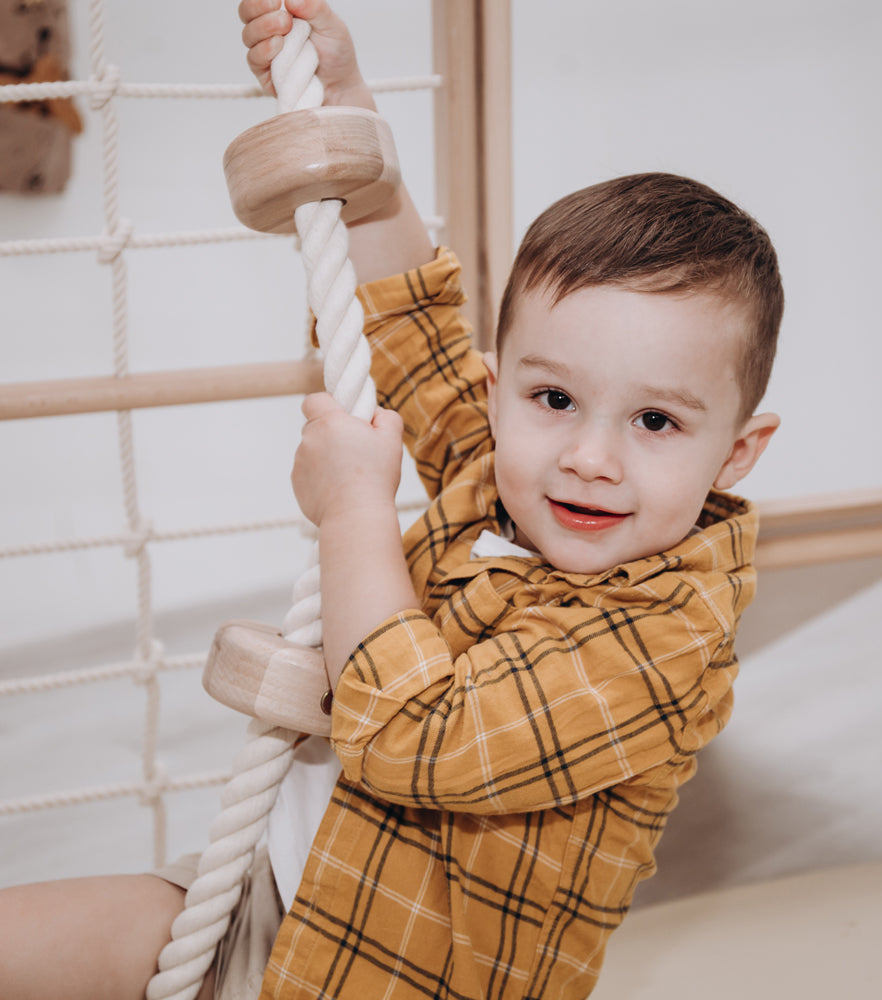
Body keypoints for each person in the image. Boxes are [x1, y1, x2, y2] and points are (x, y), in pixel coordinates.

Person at [0, 1, 782, 998]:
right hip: (271, 894)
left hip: (383, 974)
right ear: (502, 394)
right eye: (554, 399)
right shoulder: (505, 475)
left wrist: (354, 517)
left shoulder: (661, 644)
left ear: (737, 452)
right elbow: (409, 331)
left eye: (656, 423)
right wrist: (346, 114)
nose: (588, 457)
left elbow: (424, 735)